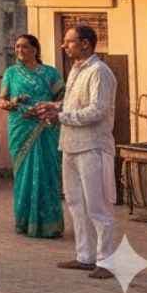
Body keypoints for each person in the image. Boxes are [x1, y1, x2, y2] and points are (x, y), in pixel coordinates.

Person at [34, 26, 117, 279]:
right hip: (70, 144)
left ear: (85, 43)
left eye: (69, 42)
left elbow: (97, 111)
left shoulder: (99, 72)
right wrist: (55, 106)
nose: (64, 46)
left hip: (93, 146)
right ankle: (85, 256)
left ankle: (108, 261)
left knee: (98, 206)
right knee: (76, 204)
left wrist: (61, 116)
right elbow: (74, 104)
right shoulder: (77, 70)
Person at [0, 34, 64, 238]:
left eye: (24, 47)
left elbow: (63, 99)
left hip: (46, 127)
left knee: (48, 173)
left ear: (35, 49)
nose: (19, 50)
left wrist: (46, 108)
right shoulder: (11, 73)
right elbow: (2, 101)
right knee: (24, 174)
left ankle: (49, 225)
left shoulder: (51, 73)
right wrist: (14, 102)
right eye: (17, 47)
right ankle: (25, 221)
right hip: (21, 126)